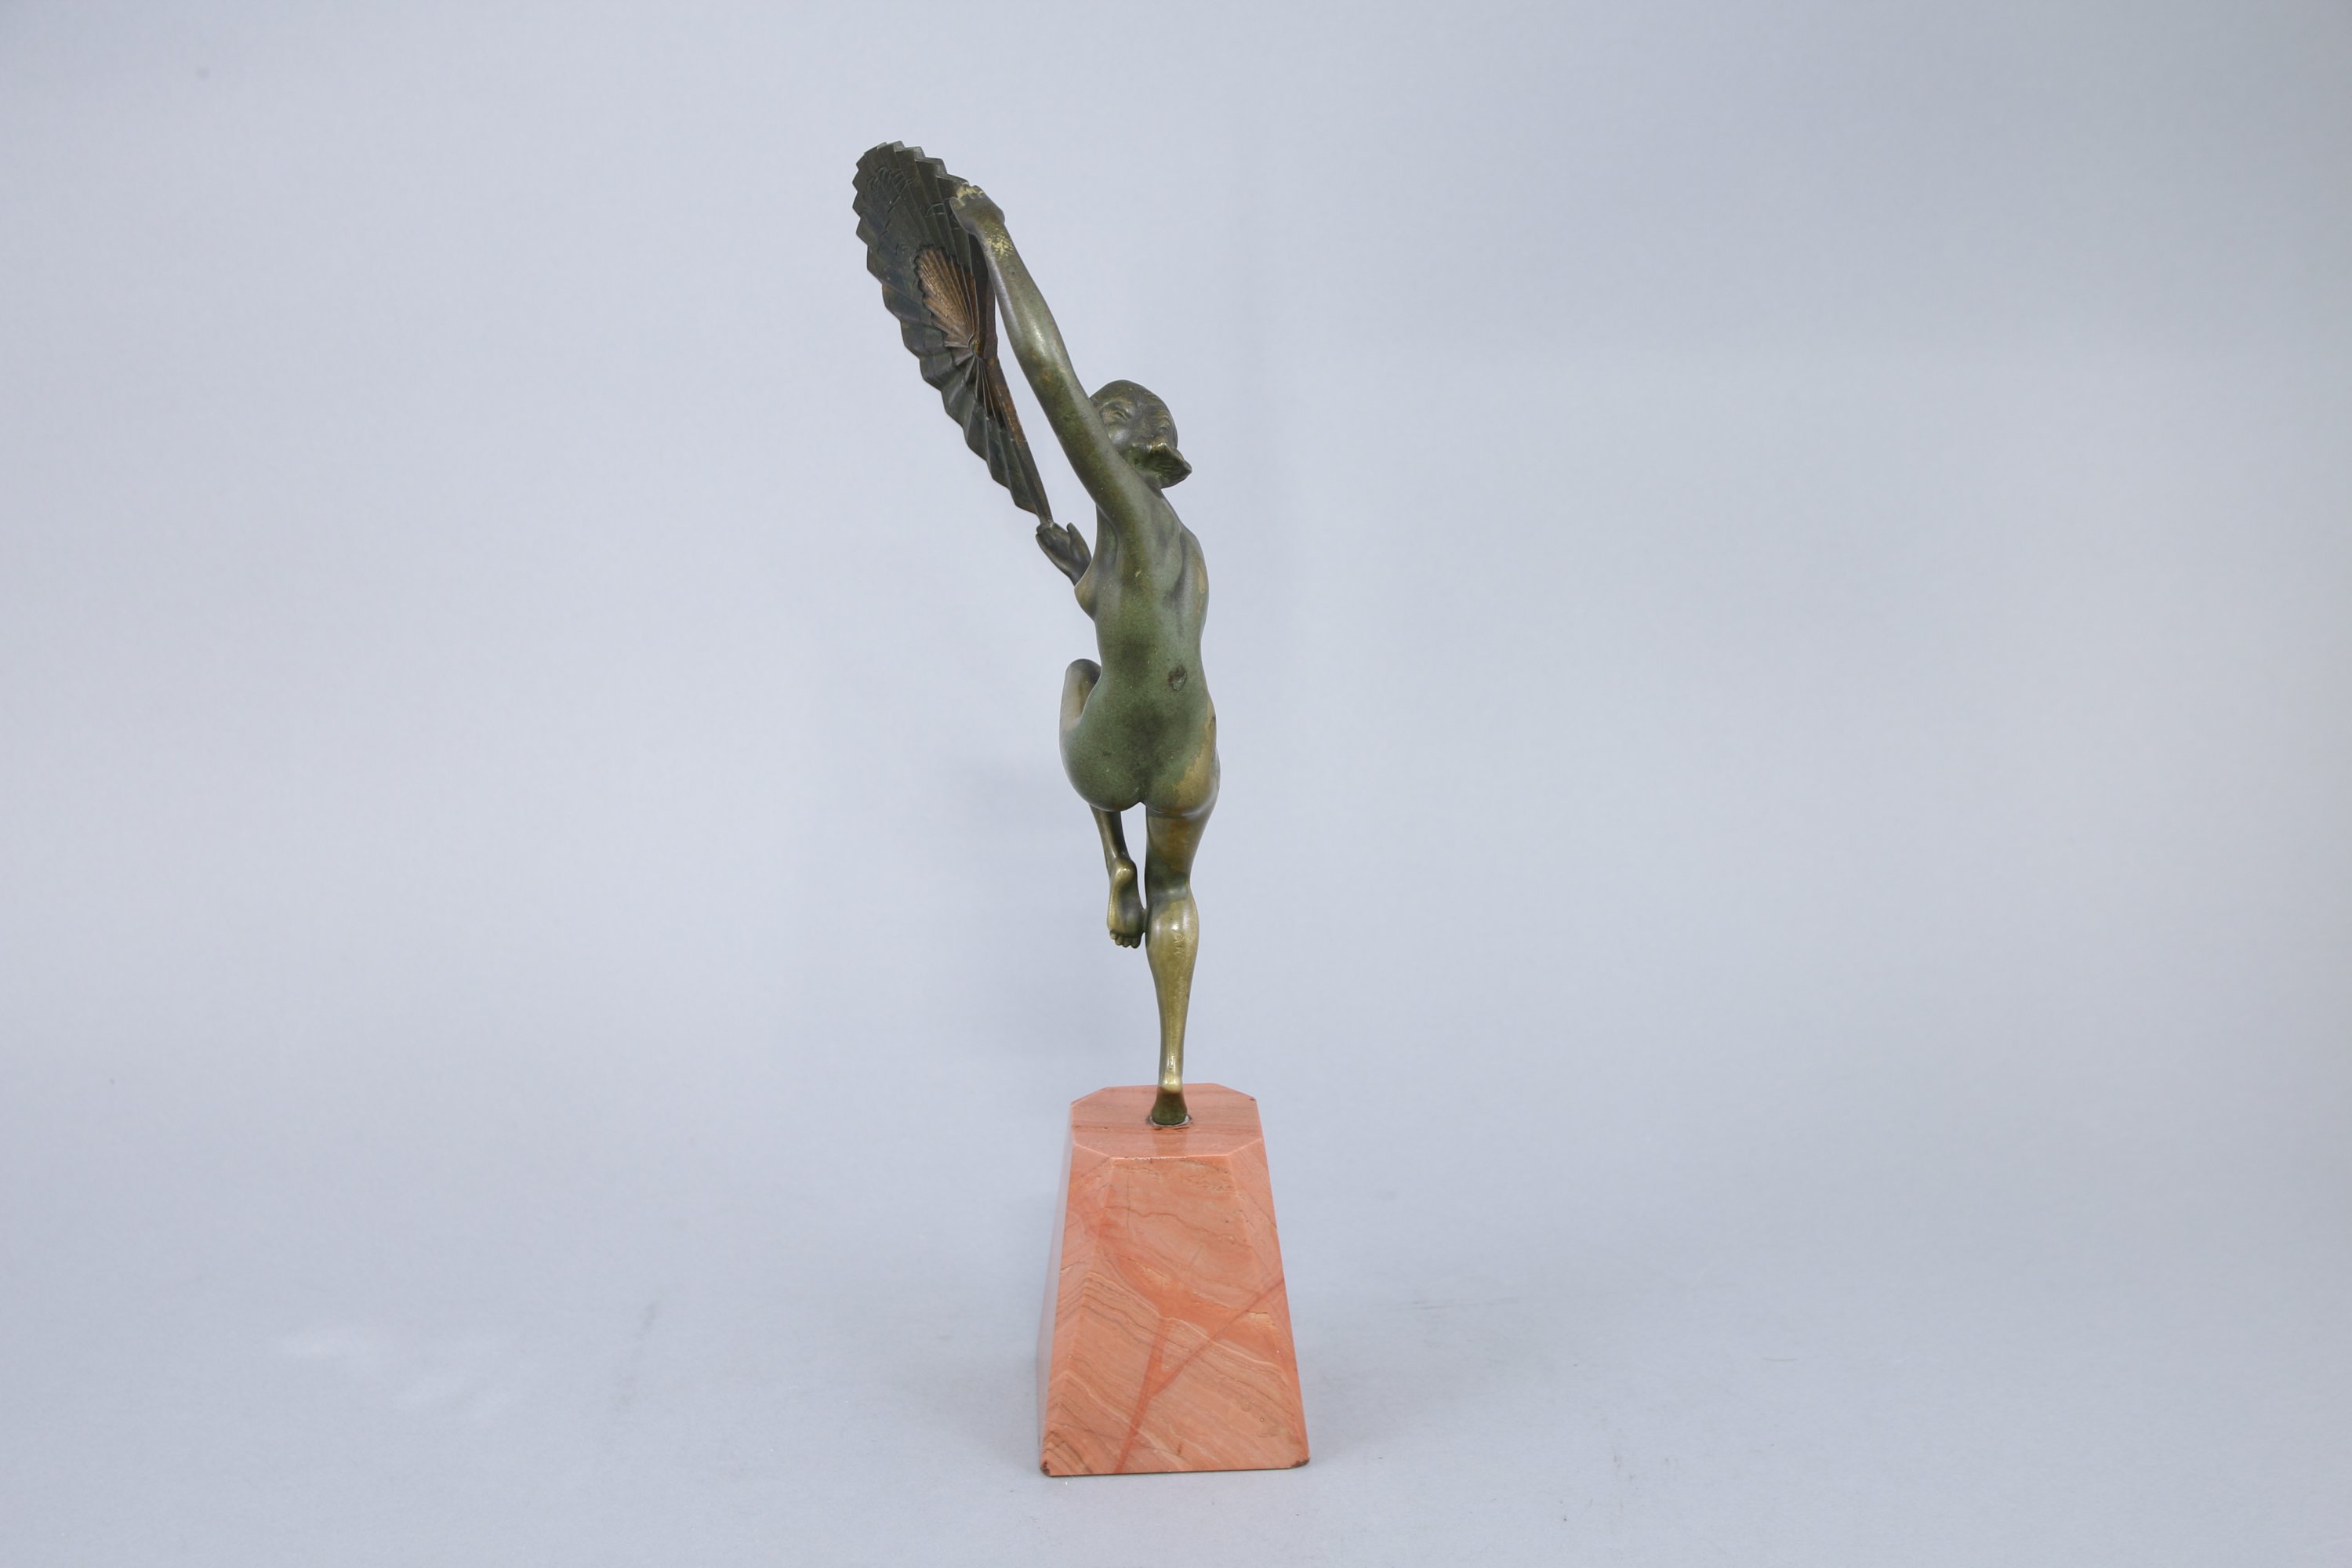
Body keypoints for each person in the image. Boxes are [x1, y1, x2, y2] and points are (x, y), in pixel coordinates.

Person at [951, 183, 1217, 1128]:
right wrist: (1079, 572)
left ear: (1133, 457)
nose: (1086, 440)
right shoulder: (1175, 548)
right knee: (1179, 883)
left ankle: (1111, 853)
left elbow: (1047, 372)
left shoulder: (1130, 510)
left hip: (1113, 750)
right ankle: (1172, 1065)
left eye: (1103, 430)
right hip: (1191, 751)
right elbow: (1141, 628)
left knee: (1077, 680)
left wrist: (995, 238)